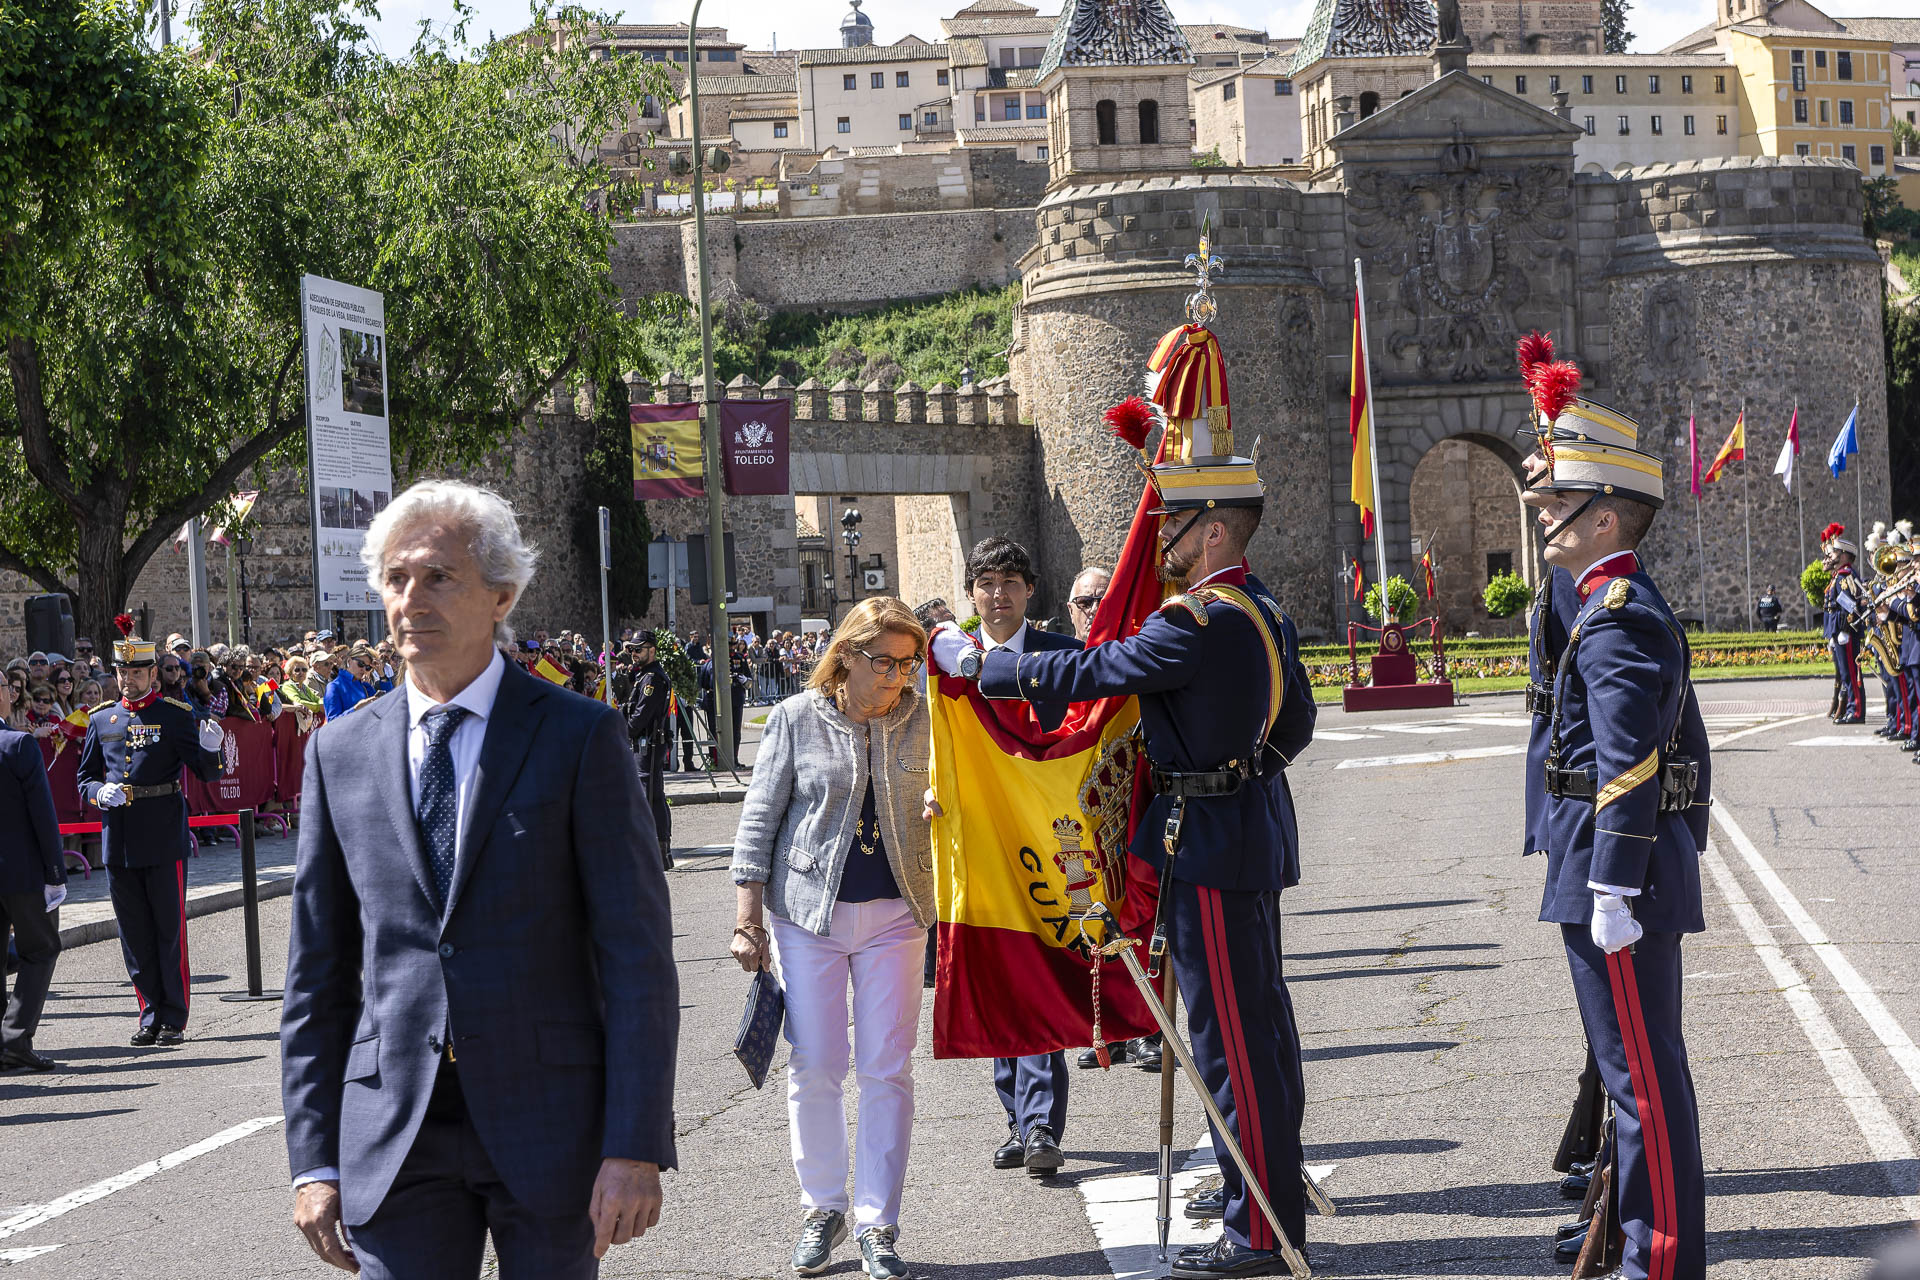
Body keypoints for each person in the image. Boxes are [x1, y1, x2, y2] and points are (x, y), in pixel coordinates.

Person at [281, 479, 677, 1280]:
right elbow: (318, 977)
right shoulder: (339, 752)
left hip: (551, 1129)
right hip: (396, 1130)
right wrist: (313, 1159)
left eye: (438, 577)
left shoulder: (580, 737)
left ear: (501, 595)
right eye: (396, 579)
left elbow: (635, 957)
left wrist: (635, 1143)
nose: (410, 600)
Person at [950, 443, 1317, 1278]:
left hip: (1211, 847)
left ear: (1214, 530)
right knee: (1261, 1030)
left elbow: (1092, 671)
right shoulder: (1263, 609)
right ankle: (1268, 1203)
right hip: (1250, 829)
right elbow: (1295, 725)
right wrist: (1237, 767)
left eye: (1175, 524)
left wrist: (984, 666)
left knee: (1231, 1047)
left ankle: (1258, 1231)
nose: (1163, 539)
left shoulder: (1197, 619)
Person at [1528, 412, 1712, 1280]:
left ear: (1605, 516)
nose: (1541, 509)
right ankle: (1645, 1250)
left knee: (1641, 1087)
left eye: (1558, 498)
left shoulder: (1616, 616)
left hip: (1617, 883)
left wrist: (1612, 889)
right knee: (1636, 1077)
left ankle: (1661, 1264)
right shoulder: (1610, 603)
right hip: (1604, 871)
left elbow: (1628, 762)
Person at [730, 597, 934, 1280]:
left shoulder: (922, 720)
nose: (897, 679)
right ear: (845, 653)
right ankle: (823, 1207)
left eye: (908, 665)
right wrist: (746, 920)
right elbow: (758, 825)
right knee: (816, 1064)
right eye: (885, 663)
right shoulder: (793, 719)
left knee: (887, 1066)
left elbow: (961, 794)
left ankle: (879, 1223)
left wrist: (944, 800)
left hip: (897, 913)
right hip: (806, 914)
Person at [944, 536, 1083, 1174]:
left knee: (1038, 973)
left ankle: (1038, 1125)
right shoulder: (951, 663)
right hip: (978, 838)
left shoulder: (1063, 655)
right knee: (998, 971)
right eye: (986, 585)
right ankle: (1017, 1118)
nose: (997, 596)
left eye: (1009, 584)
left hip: (1048, 840)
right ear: (972, 594)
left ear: (1030, 591)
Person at [75, 626, 225, 1046]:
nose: (129, 679)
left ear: (152, 675)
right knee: (134, 934)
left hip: (161, 835)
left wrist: (213, 750)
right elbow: (84, 778)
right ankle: (149, 1014)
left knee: (167, 930)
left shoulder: (175, 715)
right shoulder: (102, 718)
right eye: (123, 672)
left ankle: (174, 1016)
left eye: (137, 672)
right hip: (118, 837)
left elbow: (206, 774)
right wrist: (97, 792)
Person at [0, 673, 66, 1071]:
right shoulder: (18, 744)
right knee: (40, 949)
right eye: (6, 687)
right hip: (21, 871)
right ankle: (14, 1038)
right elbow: (43, 814)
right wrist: (56, 871)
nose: (11, 693)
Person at [623, 631, 675, 869]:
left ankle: (659, 852)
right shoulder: (644, 676)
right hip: (644, 744)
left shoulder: (653, 679)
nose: (634, 654)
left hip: (648, 744)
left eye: (639, 649)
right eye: (632, 650)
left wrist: (622, 732)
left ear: (652, 650)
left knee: (650, 797)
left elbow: (641, 716)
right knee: (650, 796)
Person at [1820, 524, 1867, 724]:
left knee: (1850, 673)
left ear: (1846, 555)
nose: (1833, 555)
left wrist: (1845, 630)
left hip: (1845, 632)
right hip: (1838, 631)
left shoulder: (1845, 576)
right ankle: (1851, 709)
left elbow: (1850, 606)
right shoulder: (1839, 577)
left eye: (1837, 551)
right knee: (1846, 674)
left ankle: (1856, 711)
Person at [1065, 566, 1112, 643]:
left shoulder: (1128, 654)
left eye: (1103, 603)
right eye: (1085, 602)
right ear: (1071, 611)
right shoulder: (1056, 655)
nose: (1095, 609)